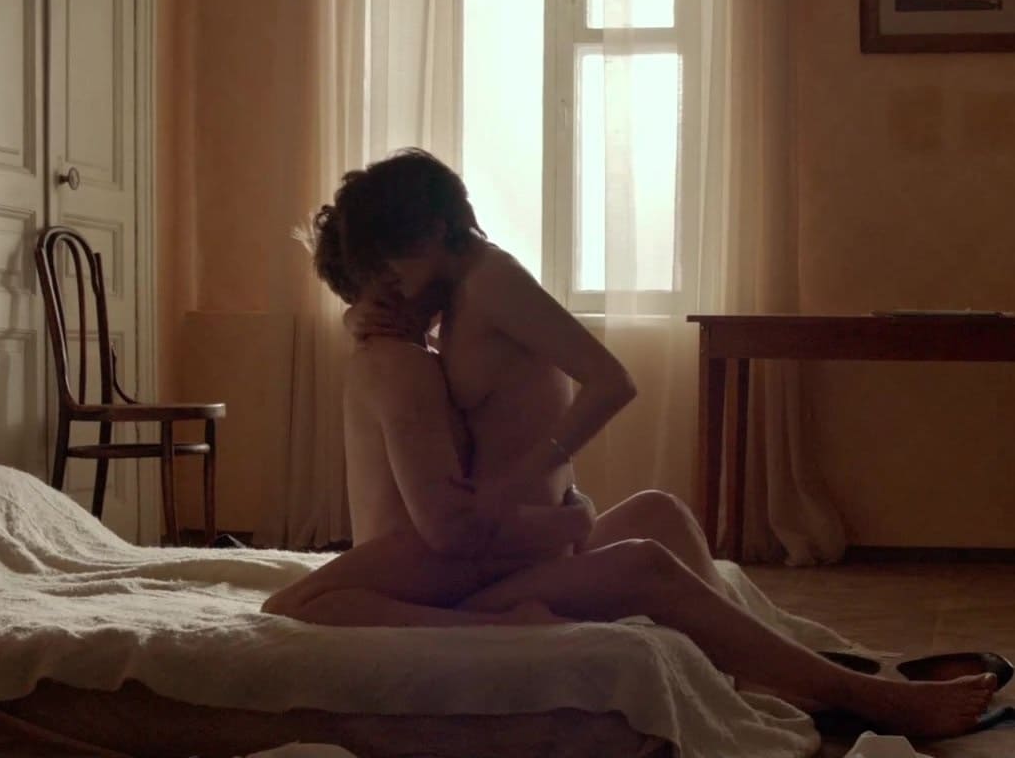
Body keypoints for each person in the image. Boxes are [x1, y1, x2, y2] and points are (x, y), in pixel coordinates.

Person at [262, 149, 995, 739]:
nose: (393, 291)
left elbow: (605, 383)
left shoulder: (485, 285)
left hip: (496, 547)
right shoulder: (440, 315)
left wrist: (536, 487)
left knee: (654, 523)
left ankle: (787, 674)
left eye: (391, 270)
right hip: (481, 563)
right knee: (651, 537)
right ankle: (847, 691)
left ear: (427, 233)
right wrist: (553, 515)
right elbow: (440, 500)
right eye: (376, 283)